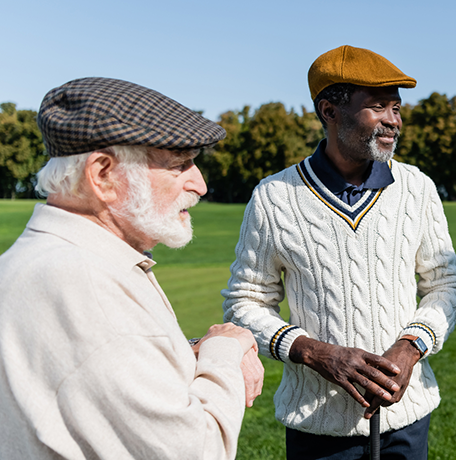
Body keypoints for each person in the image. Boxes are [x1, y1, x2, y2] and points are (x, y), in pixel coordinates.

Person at [222, 45, 456, 459]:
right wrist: (315, 353)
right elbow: (243, 303)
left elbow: (447, 285)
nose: (393, 120)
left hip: (407, 423)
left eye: (396, 108)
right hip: (317, 430)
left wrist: (411, 348)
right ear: (329, 111)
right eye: (377, 107)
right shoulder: (274, 196)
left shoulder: (417, 188)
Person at [0, 77, 264, 460]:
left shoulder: (44, 260)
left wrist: (190, 354)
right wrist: (226, 347)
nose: (201, 185)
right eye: (180, 164)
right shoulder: (85, 285)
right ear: (103, 174)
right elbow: (198, 451)